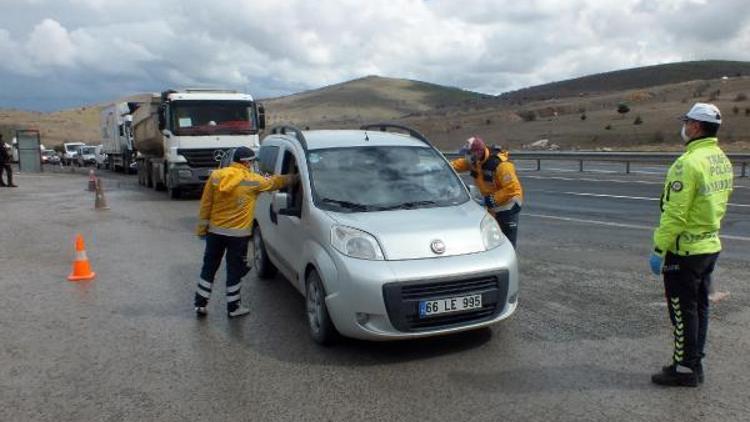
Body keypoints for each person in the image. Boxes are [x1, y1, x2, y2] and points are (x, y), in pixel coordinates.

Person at [649, 103, 733, 387]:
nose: (683, 127)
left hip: (685, 251)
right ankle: (694, 364)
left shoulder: (688, 163)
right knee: (699, 309)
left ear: (696, 126)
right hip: (709, 246)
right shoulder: (720, 158)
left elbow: (674, 214)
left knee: (682, 312)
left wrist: (659, 249)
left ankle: (684, 369)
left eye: (687, 122)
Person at [194, 147, 295, 318]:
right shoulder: (253, 180)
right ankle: (233, 308)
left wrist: (202, 230)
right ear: (247, 162)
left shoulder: (216, 176)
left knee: (209, 267)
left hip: (215, 234)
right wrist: (294, 178)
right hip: (238, 236)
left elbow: (206, 205)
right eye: (251, 162)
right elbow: (275, 182)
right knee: (234, 270)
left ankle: (200, 304)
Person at [451, 136, 523, 249]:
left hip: (508, 207)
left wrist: (490, 200)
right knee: (492, 241)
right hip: (493, 207)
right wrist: (442, 166)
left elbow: (512, 188)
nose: (466, 157)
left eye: (469, 153)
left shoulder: (501, 165)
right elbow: (458, 164)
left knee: (507, 244)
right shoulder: (476, 161)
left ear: (478, 152)